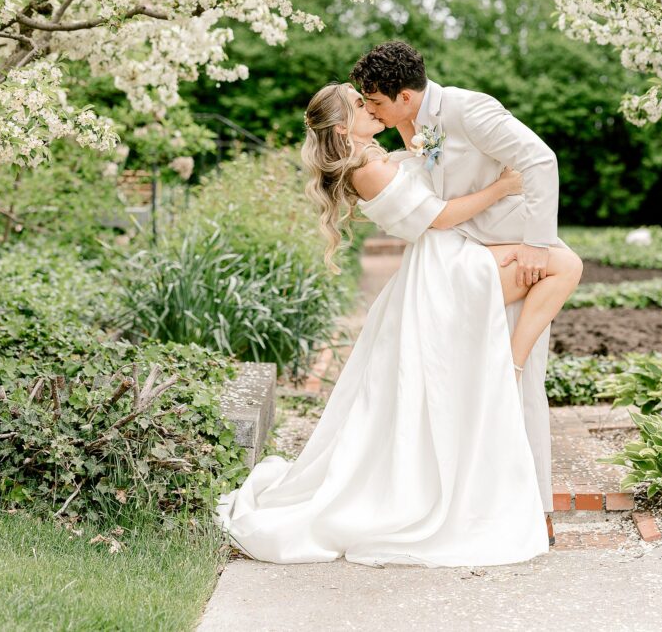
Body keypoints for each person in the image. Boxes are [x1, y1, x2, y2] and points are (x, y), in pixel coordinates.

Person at [213, 81, 582, 568]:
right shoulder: (365, 169)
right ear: (342, 128)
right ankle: (509, 366)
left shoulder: (379, 155)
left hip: (451, 260)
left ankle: (507, 369)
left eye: (371, 100)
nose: (371, 107)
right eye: (360, 103)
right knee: (564, 265)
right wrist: (502, 187)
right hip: (445, 270)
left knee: (561, 267)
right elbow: (439, 217)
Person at [350, 41, 574, 540]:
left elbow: (540, 161)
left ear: (405, 96)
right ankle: (473, 504)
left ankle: (535, 513)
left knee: (520, 383)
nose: (371, 110)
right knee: (467, 385)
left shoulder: (469, 110)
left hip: (513, 253)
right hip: (462, 258)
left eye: (376, 101)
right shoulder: (409, 123)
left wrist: (537, 245)